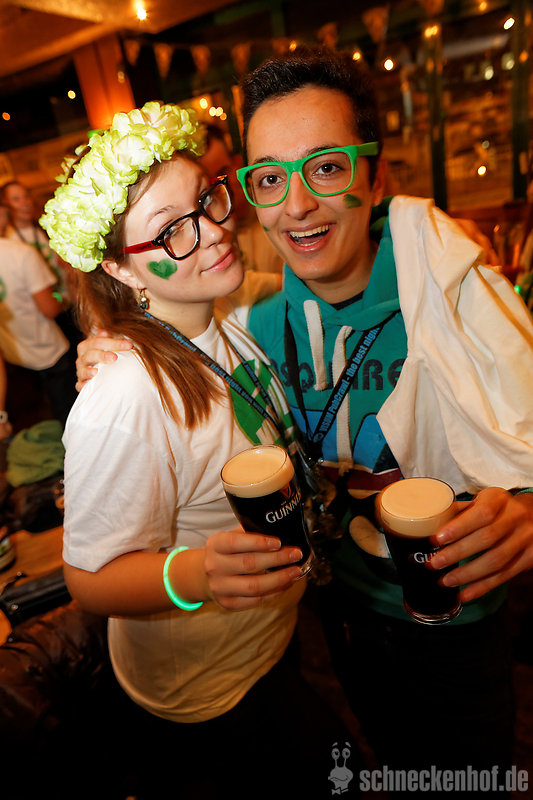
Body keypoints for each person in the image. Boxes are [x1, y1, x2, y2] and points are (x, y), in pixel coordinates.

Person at [77, 49, 533, 797]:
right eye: (268, 178)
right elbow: (162, 329)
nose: (295, 206)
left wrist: (526, 508)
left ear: (374, 177)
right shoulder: (250, 315)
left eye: (325, 168)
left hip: (451, 629)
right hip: (336, 616)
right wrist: (110, 343)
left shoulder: (451, 292)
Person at [40, 100, 362, 799]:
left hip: (265, 636)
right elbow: (88, 578)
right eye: (171, 231)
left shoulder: (228, 313)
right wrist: (197, 576)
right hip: (203, 688)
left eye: (207, 201)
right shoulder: (123, 396)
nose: (213, 231)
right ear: (122, 268)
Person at [0, 201, 77, 428]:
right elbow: (49, 307)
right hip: (47, 350)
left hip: (14, 355)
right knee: (69, 414)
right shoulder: (21, 253)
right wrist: (62, 297)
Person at [0, 179, 81, 350]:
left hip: (68, 304)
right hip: (44, 317)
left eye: (26, 196)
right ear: (5, 206)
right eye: (16, 199)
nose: (25, 203)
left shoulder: (45, 227)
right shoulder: (9, 241)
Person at [200, 123, 283, 274]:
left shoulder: (280, 210)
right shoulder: (208, 245)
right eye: (208, 185)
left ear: (238, 164)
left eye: (223, 173)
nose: (219, 189)